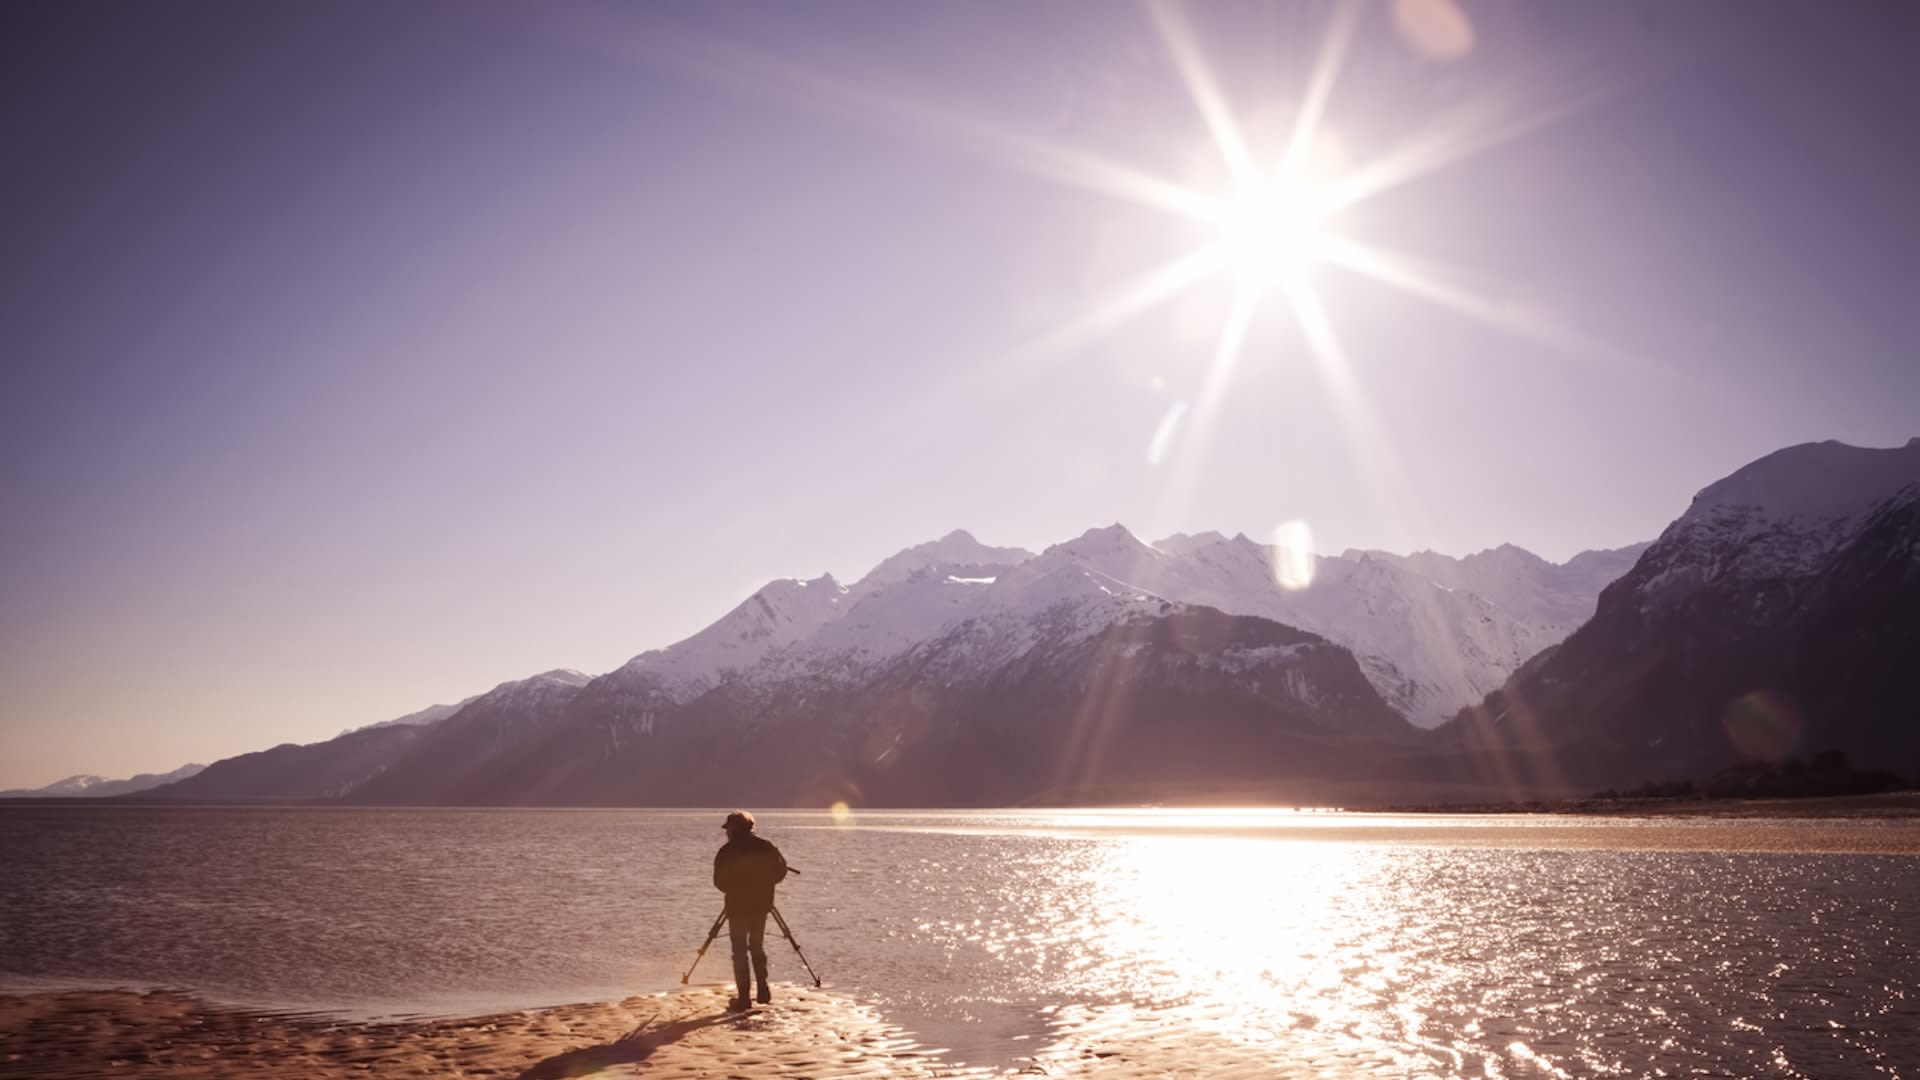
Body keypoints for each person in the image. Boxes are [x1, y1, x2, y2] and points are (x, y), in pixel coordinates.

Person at [712, 809, 788, 1011]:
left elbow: (719, 882)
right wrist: (764, 882)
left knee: (739, 951)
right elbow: (780, 873)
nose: (726, 833)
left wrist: (736, 885)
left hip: (737, 907)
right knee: (756, 946)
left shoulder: (727, 852)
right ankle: (763, 989)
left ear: (735, 830)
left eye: (728, 829)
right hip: (761, 905)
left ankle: (743, 998)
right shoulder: (766, 847)